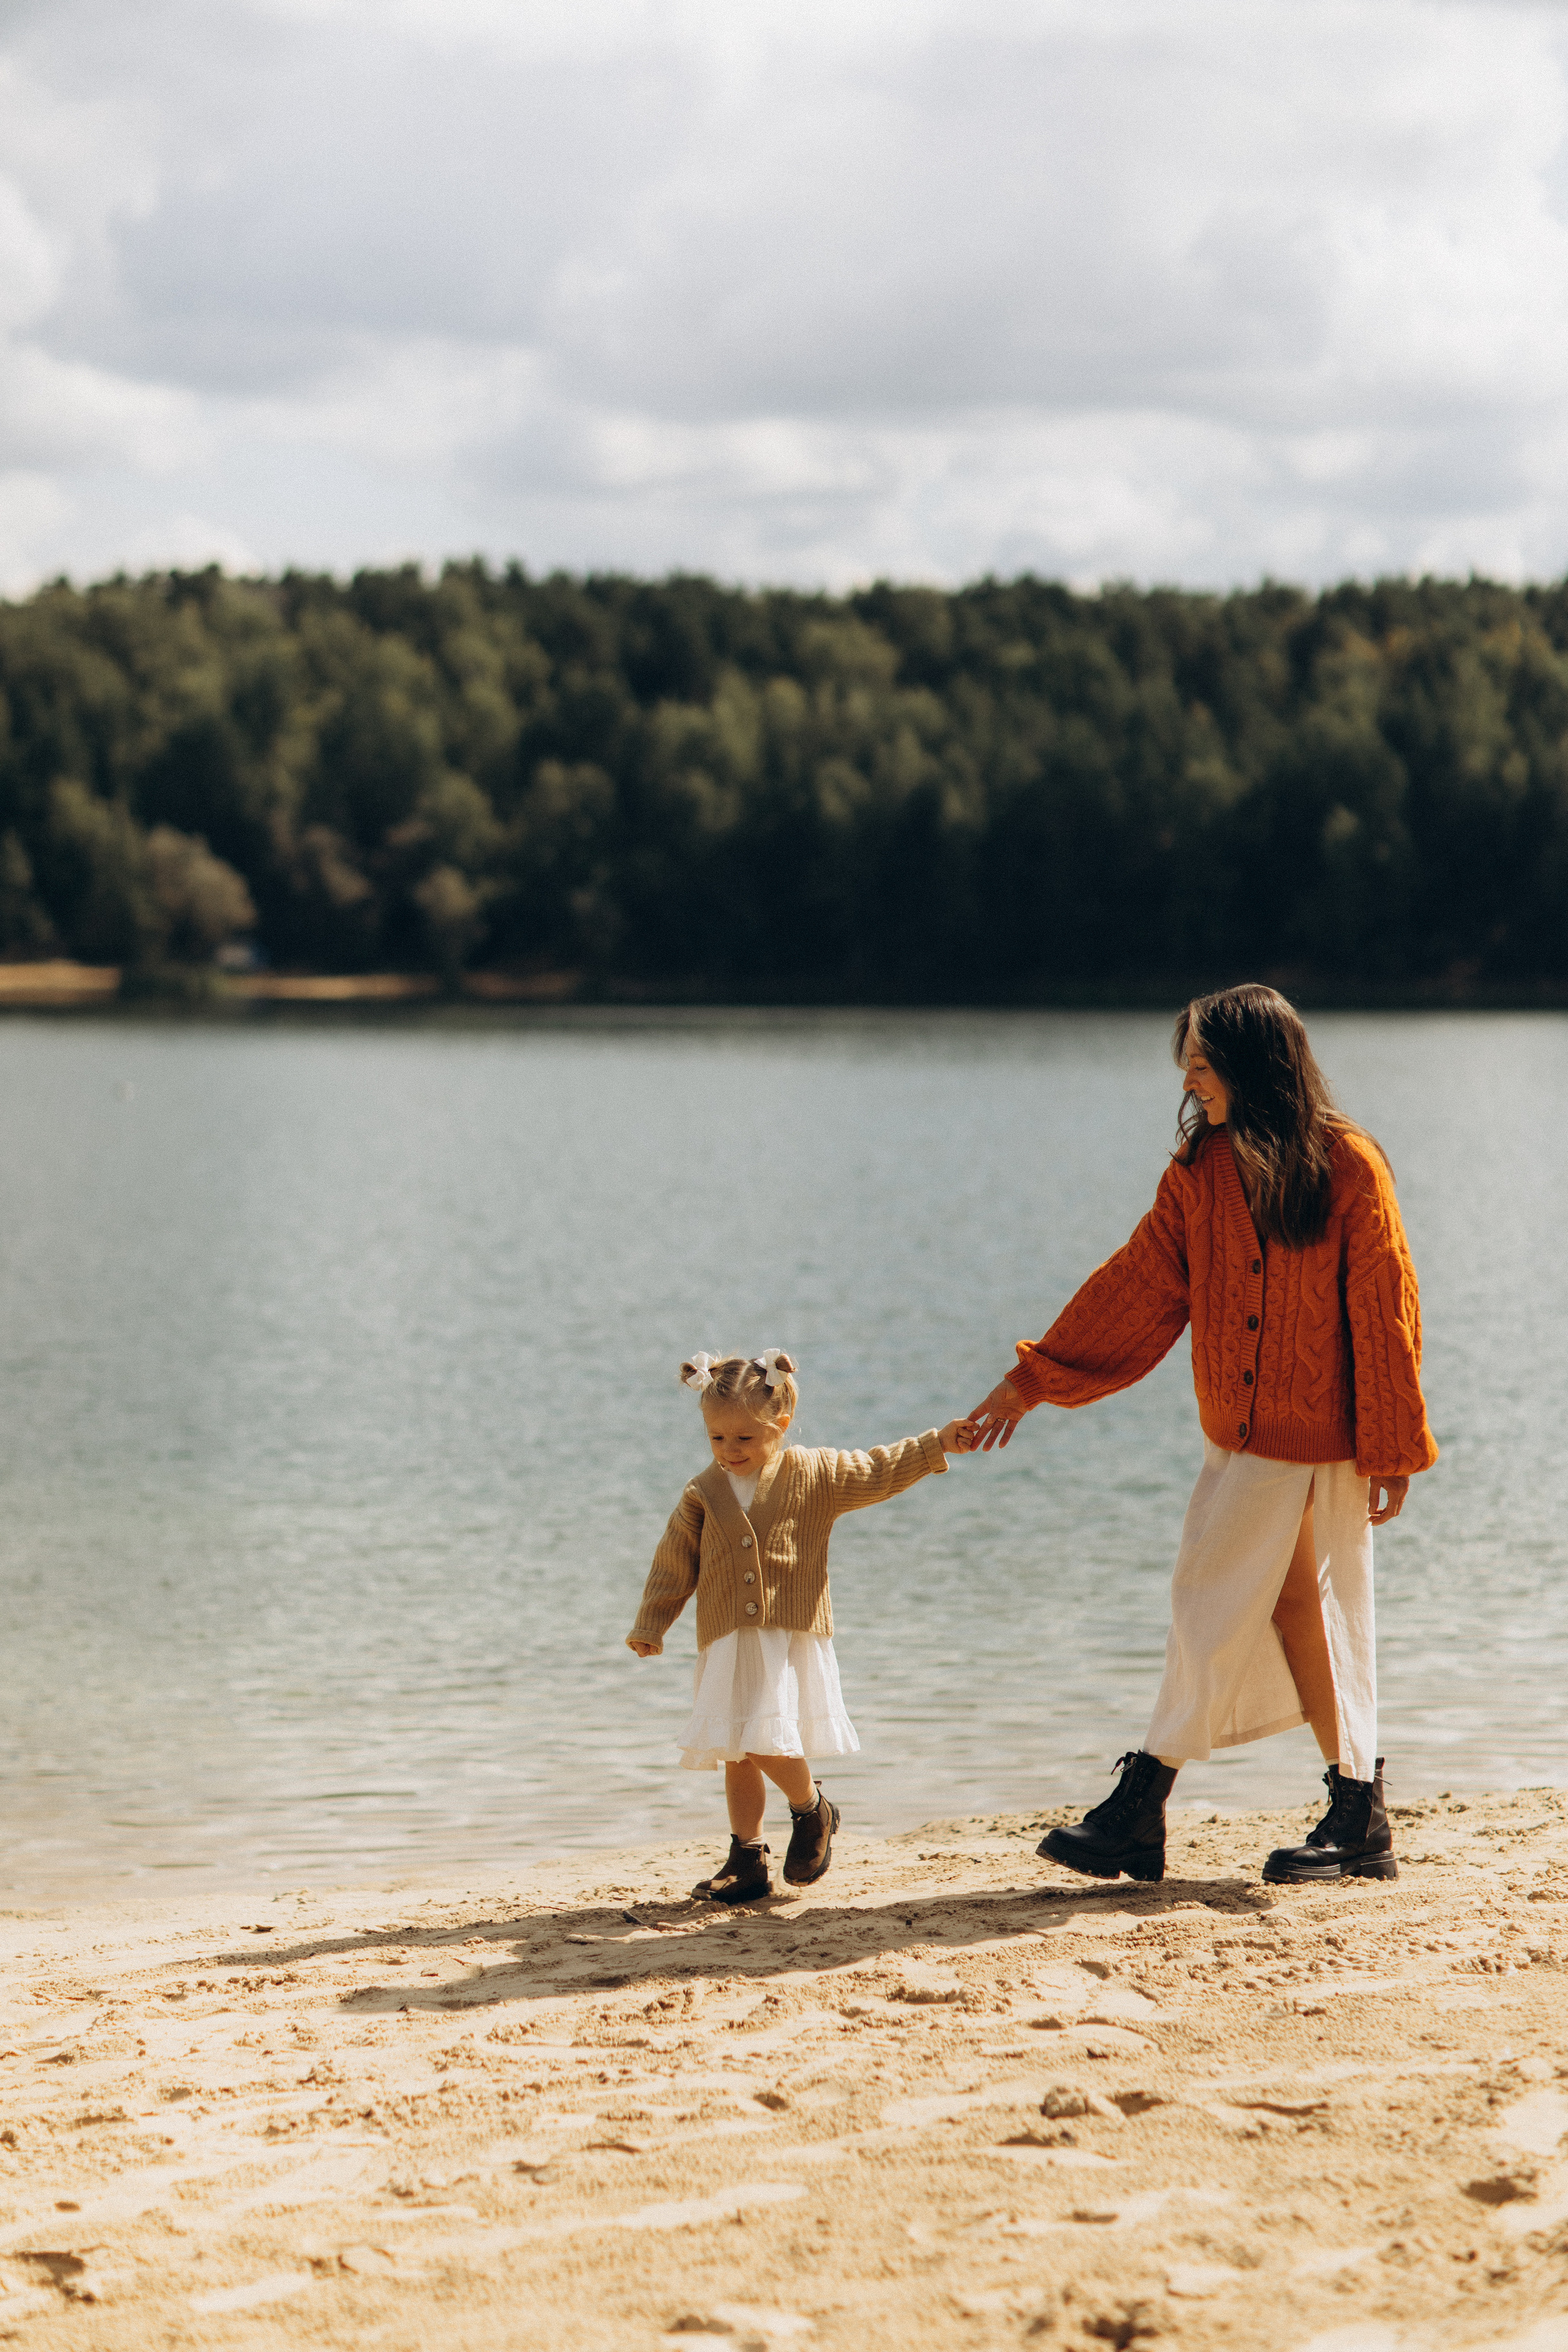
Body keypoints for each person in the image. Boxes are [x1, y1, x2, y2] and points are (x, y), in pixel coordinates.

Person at [968, 985, 1438, 1887]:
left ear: (1254, 1064)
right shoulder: (1201, 1169)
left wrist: (1393, 1445)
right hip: (1239, 1438)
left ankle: (1143, 1806)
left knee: (1213, 1604)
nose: (1188, 1075)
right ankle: (1356, 1811)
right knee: (1299, 1612)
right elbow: (1140, 1284)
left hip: (1320, 1443)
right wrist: (1033, 1379)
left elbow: (1386, 1314)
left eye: (1202, 1058)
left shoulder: (1348, 1167)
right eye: (1186, 1058)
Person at [628, 1350, 974, 1903]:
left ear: (780, 1427)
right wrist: (653, 1621)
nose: (729, 1451)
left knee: (762, 1736)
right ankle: (747, 1858)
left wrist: (937, 1444)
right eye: (717, 1439)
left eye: (744, 1438)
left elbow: (879, 1469)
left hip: (784, 1635)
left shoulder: (814, 1474)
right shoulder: (702, 1493)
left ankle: (812, 1810)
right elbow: (675, 1561)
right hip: (725, 1636)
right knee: (735, 1748)